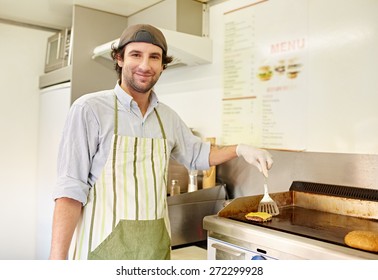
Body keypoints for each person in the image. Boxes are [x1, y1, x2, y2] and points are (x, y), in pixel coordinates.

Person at [49, 24, 273, 260]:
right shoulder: (89, 110)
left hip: (154, 252)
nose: (145, 65)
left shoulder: (167, 117)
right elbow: (70, 190)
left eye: (154, 57)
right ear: (119, 58)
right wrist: (57, 260)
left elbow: (198, 155)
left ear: (163, 66)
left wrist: (239, 149)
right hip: (101, 253)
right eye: (136, 54)